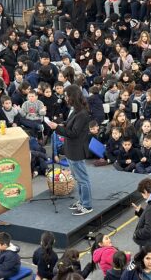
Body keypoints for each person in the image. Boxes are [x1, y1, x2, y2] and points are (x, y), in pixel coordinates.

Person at [48, 85, 93, 216]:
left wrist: (57, 127)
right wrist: (60, 124)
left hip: (77, 150)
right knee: (78, 178)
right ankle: (82, 200)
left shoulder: (83, 113)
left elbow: (73, 133)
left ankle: (87, 205)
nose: (65, 98)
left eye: (67, 96)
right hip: (70, 149)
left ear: (73, 97)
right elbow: (69, 123)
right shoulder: (76, 110)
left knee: (83, 179)